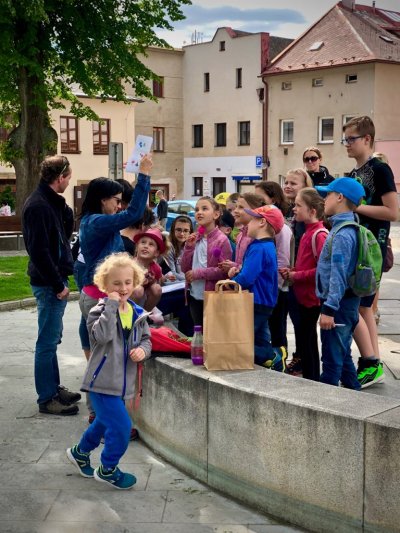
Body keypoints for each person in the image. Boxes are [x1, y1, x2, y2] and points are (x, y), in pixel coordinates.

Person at [67, 252, 151, 489]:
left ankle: (80, 453)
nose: (123, 288)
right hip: (101, 382)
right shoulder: (99, 311)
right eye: (116, 283)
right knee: (122, 427)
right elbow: (100, 336)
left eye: (127, 282)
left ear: (134, 282)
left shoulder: (137, 313)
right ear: (105, 286)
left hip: (122, 384)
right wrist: (112, 305)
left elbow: (146, 340)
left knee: (103, 423)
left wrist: (143, 351)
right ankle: (108, 468)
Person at [79, 154, 152, 424]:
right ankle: (99, 417)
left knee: (107, 359)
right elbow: (134, 213)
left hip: (102, 298)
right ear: (103, 199)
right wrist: (143, 175)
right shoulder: (95, 222)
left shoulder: (98, 223)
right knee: (102, 360)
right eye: (116, 200)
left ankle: (101, 416)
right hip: (100, 301)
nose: (119, 205)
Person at [22, 155, 81, 415]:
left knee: (51, 340)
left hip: (52, 279)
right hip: (48, 283)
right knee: (46, 342)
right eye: (68, 177)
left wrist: (64, 209)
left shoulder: (50, 202)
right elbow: (39, 251)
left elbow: (62, 233)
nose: (69, 181)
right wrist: (58, 284)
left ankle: (54, 388)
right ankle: (47, 398)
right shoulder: (38, 206)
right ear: (60, 178)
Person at [343, 116, 398, 388]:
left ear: (367, 139)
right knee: (364, 310)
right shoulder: (354, 173)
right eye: (345, 140)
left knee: (355, 308)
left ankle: (370, 362)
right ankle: (372, 362)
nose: (346, 145)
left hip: (371, 247)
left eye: (351, 139)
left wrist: (356, 209)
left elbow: (393, 211)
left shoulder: (380, 169)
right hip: (357, 245)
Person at [314, 177, 367, 390]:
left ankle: (324, 410)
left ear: (339, 197)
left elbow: (338, 275)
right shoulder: (344, 227)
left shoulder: (343, 233)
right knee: (343, 358)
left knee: (331, 363)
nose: (324, 199)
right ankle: (355, 403)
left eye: (327, 194)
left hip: (338, 307)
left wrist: (328, 309)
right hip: (344, 305)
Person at [228, 205, 287, 371]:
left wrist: (232, 282)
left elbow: (247, 278)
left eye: (253, 219)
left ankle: (273, 355)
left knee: (238, 343)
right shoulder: (266, 246)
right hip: (264, 301)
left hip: (255, 301)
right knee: (259, 339)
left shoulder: (258, 248)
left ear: (262, 222)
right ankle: (271, 359)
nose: (248, 223)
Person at [280, 188, 328, 381]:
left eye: (299, 205)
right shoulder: (308, 232)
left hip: (311, 300)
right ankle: (311, 378)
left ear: (312, 211)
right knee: (306, 343)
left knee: (307, 344)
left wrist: (296, 275)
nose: (294, 209)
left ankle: (312, 380)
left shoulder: (319, 235)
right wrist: (293, 271)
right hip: (302, 298)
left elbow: (323, 270)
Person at [181, 197, 232, 327]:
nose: (199, 212)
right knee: (199, 334)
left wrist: (199, 273)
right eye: (197, 209)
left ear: (216, 214)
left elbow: (224, 272)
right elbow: (184, 268)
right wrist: (188, 248)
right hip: (194, 295)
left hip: (212, 296)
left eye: (204, 209)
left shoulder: (222, 240)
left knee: (212, 334)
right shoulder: (194, 238)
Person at [283, 168, 313, 376]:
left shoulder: (305, 217)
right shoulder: (288, 211)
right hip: (289, 276)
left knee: (303, 325)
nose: (288, 186)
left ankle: (304, 362)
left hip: (300, 278)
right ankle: (297, 357)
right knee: (292, 322)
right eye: (286, 182)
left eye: (293, 183)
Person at [255, 181, 293, 350]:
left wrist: (274, 288)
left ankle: (279, 365)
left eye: (261, 200)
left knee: (277, 331)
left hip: (275, 290)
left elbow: (283, 260)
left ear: (274, 200)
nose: (257, 204)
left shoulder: (280, 228)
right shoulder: (260, 224)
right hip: (267, 289)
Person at [158, 215, 194, 336]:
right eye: (178, 230)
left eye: (185, 231)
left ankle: (187, 335)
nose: (182, 234)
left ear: (190, 232)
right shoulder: (169, 247)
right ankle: (187, 335)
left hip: (184, 286)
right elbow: (172, 272)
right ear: (173, 230)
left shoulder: (192, 247)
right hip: (171, 287)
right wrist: (190, 277)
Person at [219, 193, 264, 275]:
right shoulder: (240, 236)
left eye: (241, 207)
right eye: (236, 207)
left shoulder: (256, 237)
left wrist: (234, 266)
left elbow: (253, 268)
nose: (235, 211)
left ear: (254, 211)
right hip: (240, 284)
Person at [131, 227, 168, 312]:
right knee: (138, 290)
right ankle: (131, 315)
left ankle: (144, 314)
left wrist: (152, 281)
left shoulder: (156, 268)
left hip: (143, 298)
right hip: (126, 297)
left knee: (157, 288)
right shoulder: (130, 265)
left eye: (151, 244)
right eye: (143, 242)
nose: (146, 246)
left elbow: (158, 285)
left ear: (156, 253)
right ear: (137, 248)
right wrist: (139, 282)